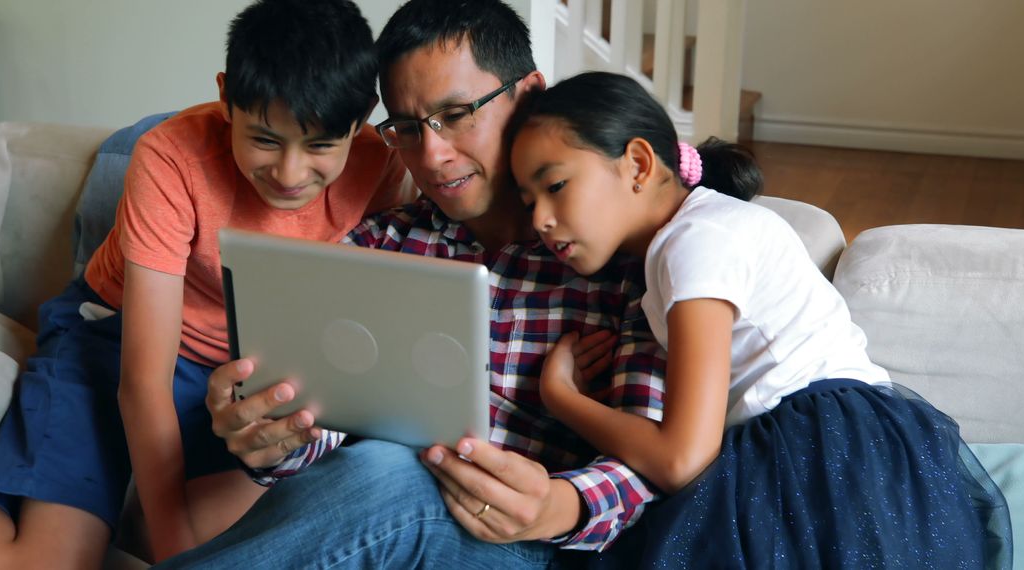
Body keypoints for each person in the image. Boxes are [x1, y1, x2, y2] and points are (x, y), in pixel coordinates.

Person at [157, 1, 667, 568]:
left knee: (386, 471)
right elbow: (327, 423)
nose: (432, 154)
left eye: (457, 113)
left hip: (531, 546)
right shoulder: (380, 246)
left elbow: (658, 462)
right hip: (383, 525)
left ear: (529, 94)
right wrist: (275, 434)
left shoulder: (625, 262)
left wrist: (560, 506)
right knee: (379, 469)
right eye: (406, 127)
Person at [0, 0, 410, 566]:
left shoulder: (385, 165)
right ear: (225, 96)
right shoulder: (171, 156)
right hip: (115, 344)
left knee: (265, 535)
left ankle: (139, 511)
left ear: (362, 117)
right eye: (264, 140)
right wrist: (176, 554)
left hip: (248, 371)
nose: (291, 174)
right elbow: (143, 381)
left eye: (319, 147)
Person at [508, 70, 1013, 568]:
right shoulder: (694, 235)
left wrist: (562, 398)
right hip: (854, 453)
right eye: (529, 201)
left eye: (555, 185)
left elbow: (682, 459)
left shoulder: (695, 243)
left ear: (638, 163)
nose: (539, 219)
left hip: (822, 458)